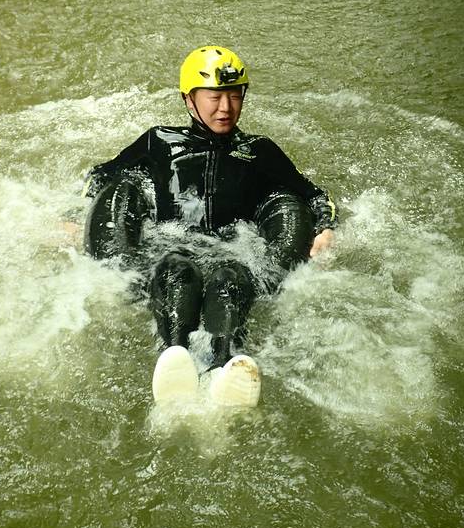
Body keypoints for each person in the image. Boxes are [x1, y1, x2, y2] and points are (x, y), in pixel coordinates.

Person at [83, 45, 337, 407]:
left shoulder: (258, 152)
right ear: (189, 99)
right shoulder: (159, 142)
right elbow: (101, 176)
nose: (226, 108)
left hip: (235, 248)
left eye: (235, 96)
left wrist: (326, 228)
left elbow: (313, 196)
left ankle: (223, 368)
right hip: (170, 245)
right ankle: (175, 361)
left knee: (230, 279)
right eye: (215, 97)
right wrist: (74, 218)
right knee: (178, 273)